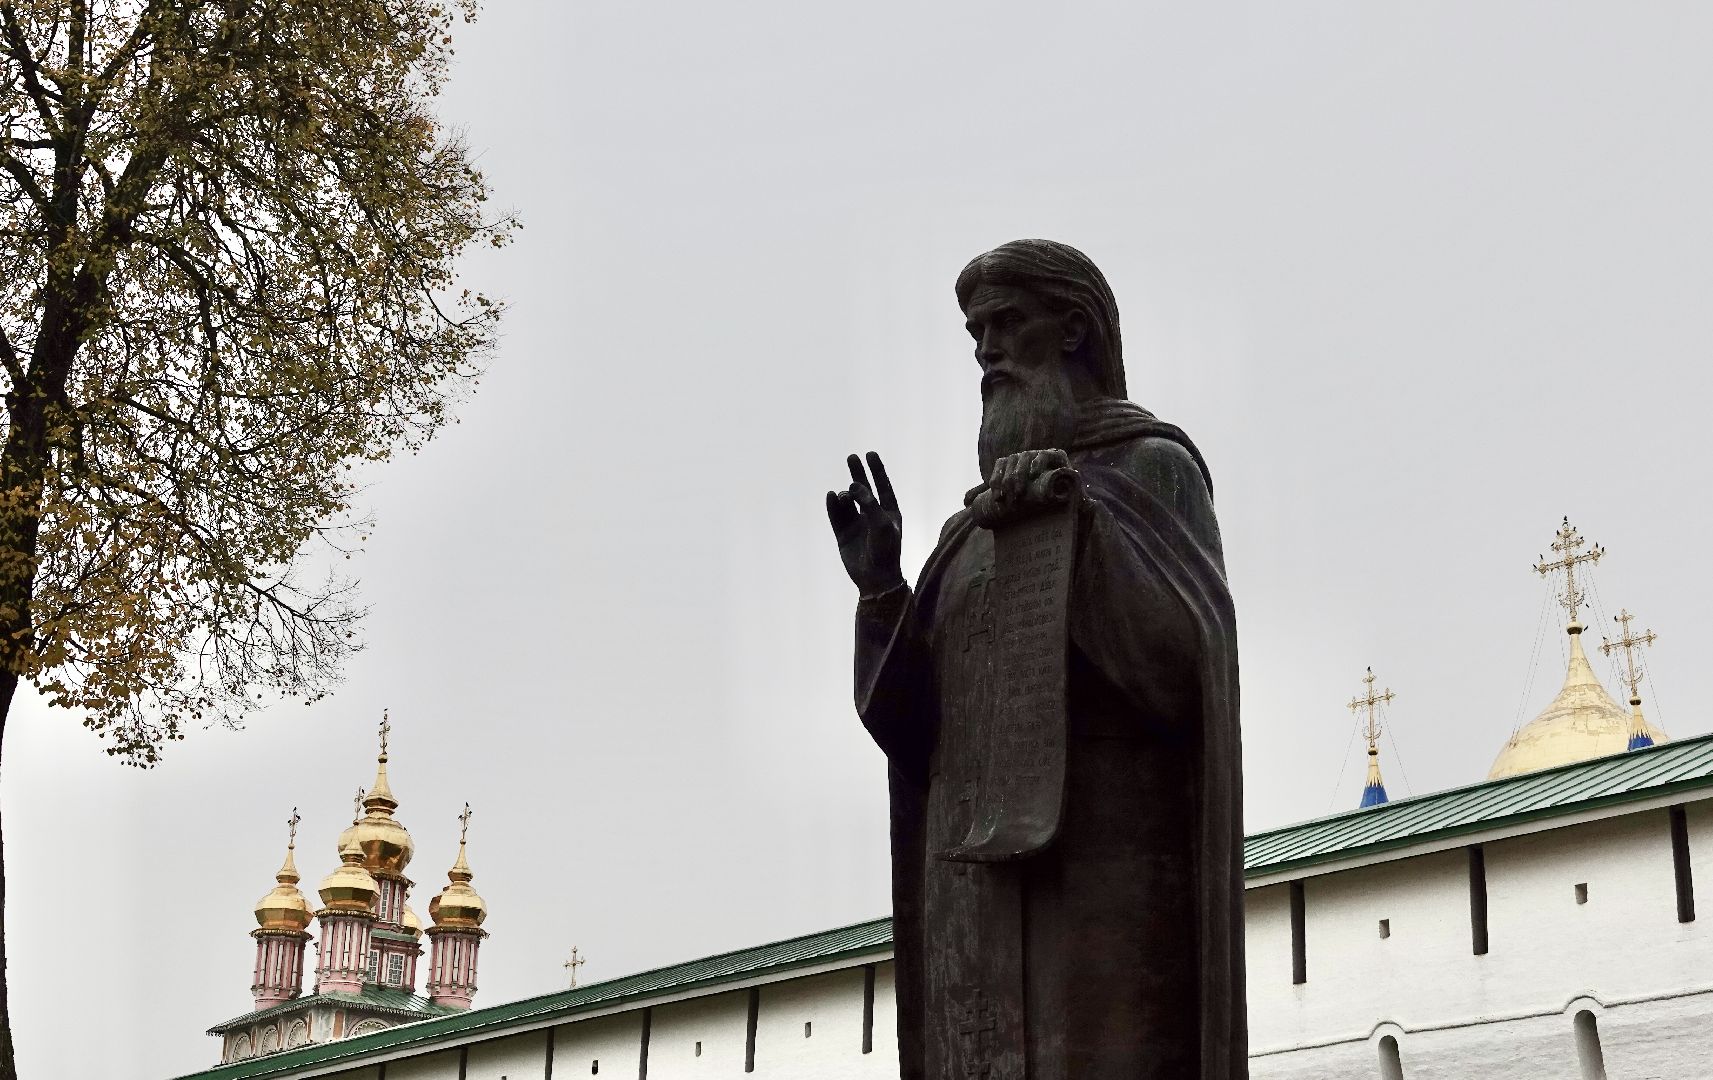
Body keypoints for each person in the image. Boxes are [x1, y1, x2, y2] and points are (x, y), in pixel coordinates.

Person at [826, 239, 1247, 1079]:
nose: (985, 350)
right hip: (971, 900)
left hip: (1100, 887)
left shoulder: (1151, 469)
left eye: (1005, 323)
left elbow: (1183, 666)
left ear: (1074, 330)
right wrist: (881, 594)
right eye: (974, 331)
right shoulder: (967, 534)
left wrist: (1072, 525)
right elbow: (910, 732)